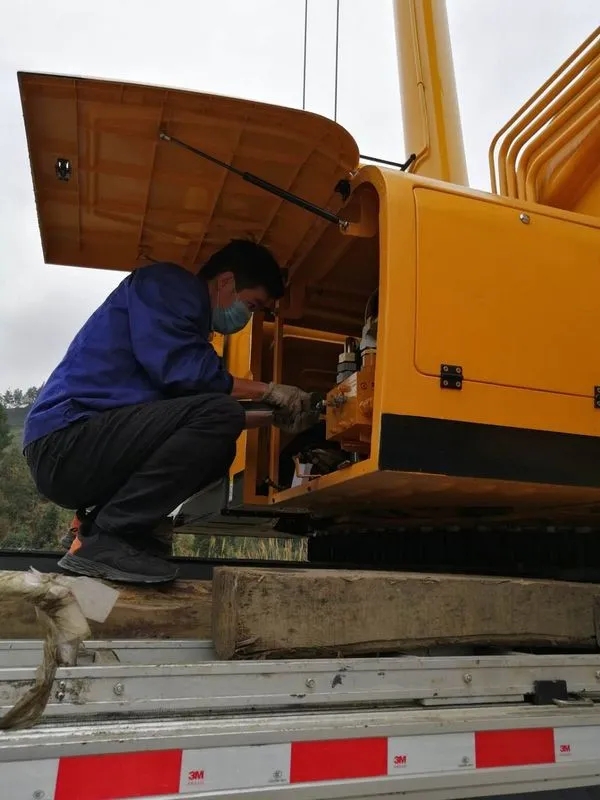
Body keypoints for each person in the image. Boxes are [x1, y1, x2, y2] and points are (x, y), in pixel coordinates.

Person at [23, 239, 318, 584]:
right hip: (65, 442)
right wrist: (269, 390)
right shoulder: (169, 286)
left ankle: (99, 531)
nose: (247, 317)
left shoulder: (184, 328)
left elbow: (189, 415)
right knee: (220, 416)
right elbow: (188, 374)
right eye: (251, 305)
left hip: (80, 449)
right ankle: (107, 538)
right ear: (225, 282)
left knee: (218, 445)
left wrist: (273, 416)